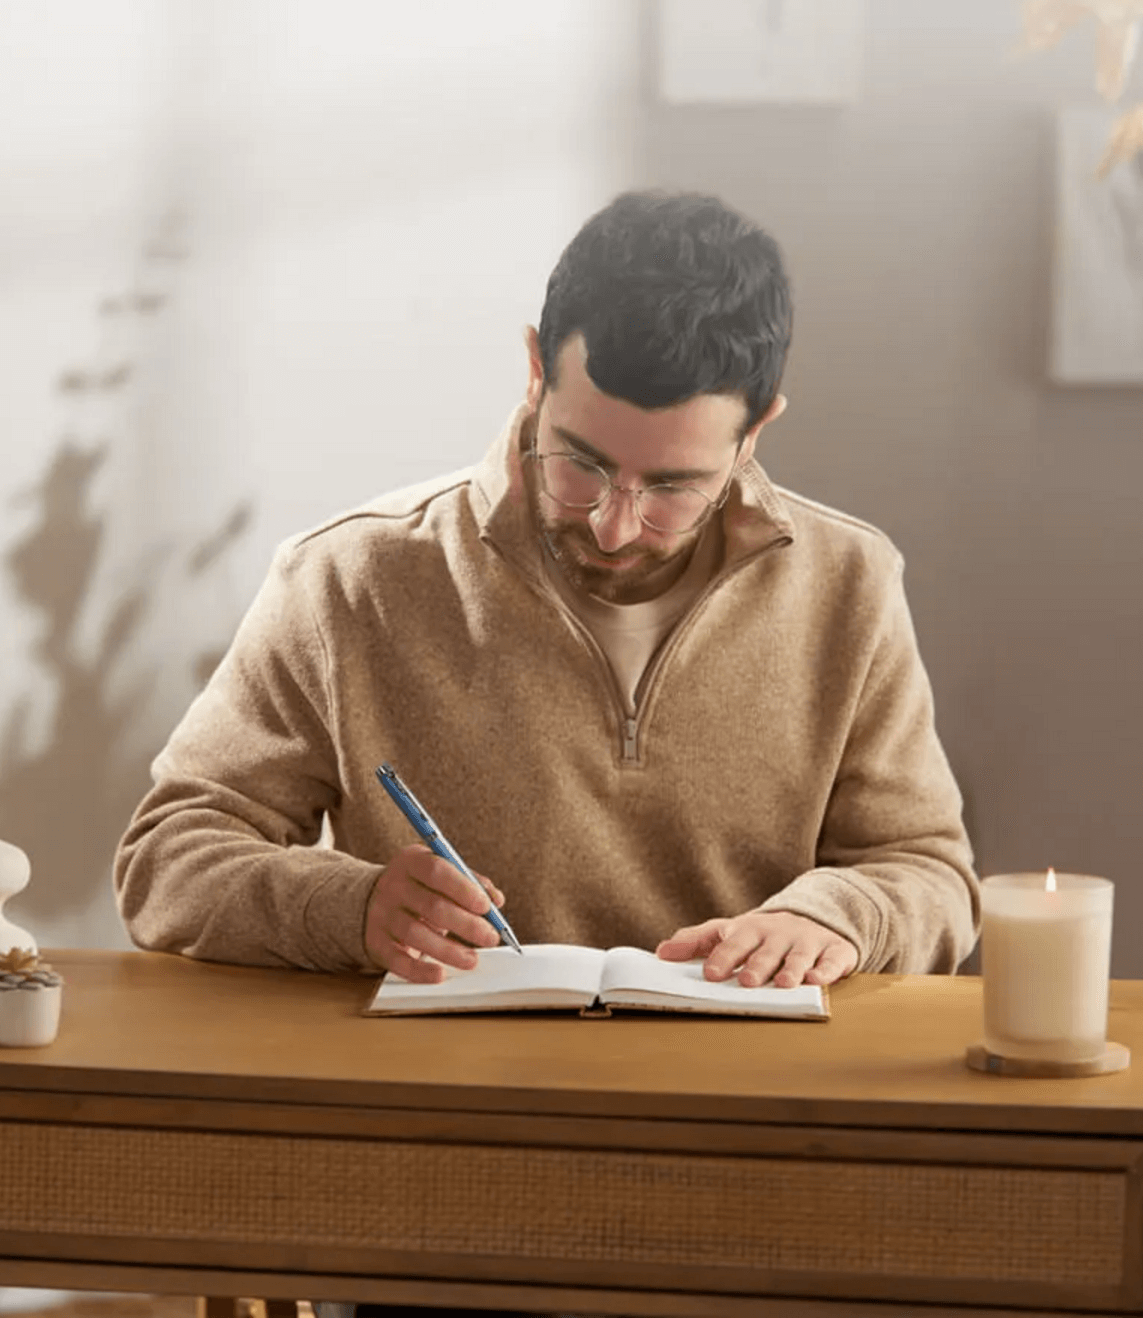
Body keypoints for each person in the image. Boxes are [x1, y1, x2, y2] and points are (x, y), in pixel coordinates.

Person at [113, 189, 979, 1318]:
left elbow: (928, 872)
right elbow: (167, 856)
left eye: (672, 486)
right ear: (535, 367)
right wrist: (353, 907)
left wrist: (833, 917)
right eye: (582, 464)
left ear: (758, 426)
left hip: (759, 1191)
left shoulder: (850, 586)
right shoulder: (356, 579)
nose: (617, 523)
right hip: (435, 1205)